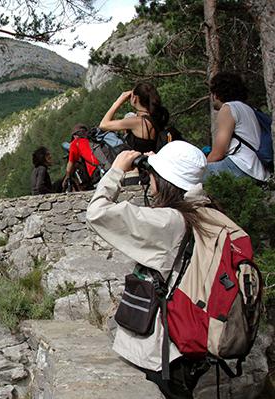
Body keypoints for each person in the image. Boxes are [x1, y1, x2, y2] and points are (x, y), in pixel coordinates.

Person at [86, 141, 211, 398]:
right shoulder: (205, 211)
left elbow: (97, 212)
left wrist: (116, 171)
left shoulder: (167, 222)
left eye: (153, 175)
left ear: (163, 180)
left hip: (163, 351)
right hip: (192, 338)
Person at [204, 72, 270, 182]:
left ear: (216, 94)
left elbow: (218, 153)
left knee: (188, 174)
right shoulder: (250, 109)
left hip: (241, 167)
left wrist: (202, 167)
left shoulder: (228, 108)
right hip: (259, 171)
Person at [99, 82, 169, 153]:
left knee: (102, 136)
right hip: (150, 158)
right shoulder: (159, 114)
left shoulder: (137, 122)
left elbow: (103, 125)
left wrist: (118, 101)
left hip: (137, 162)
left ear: (135, 98)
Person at [61, 124, 99, 191]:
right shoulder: (93, 139)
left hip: (95, 173)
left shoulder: (75, 143)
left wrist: (67, 177)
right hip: (107, 167)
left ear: (74, 135)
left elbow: (71, 164)